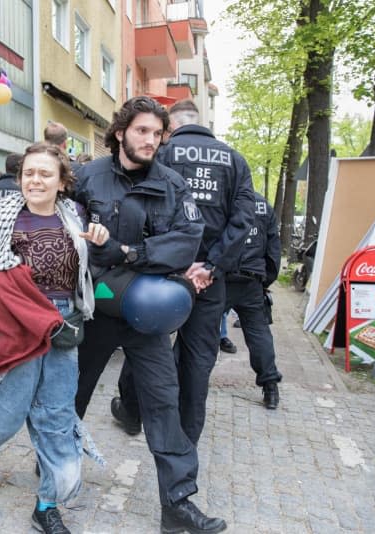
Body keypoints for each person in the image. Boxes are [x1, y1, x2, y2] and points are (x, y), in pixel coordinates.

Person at [73, 96, 226, 534]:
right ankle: (54, 482)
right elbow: (67, 229)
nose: (151, 140)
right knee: (72, 398)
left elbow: (188, 238)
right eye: (142, 131)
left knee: (164, 403)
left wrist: (132, 252)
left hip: (150, 312)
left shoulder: (174, 184)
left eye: (158, 134)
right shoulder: (89, 177)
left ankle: (177, 505)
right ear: (121, 132)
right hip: (98, 306)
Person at [0, 142, 103, 534]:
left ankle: (47, 504)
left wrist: (100, 243)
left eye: (45, 173)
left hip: (62, 325)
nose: (35, 180)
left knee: (56, 418)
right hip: (13, 324)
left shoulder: (75, 217)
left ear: (62, 181)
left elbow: (85, 275)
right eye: (28, 173)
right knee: (5, 415)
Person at [112, 98, 254, 447]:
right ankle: (187, 437)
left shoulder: (160, 153)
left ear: (170, 128)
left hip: (160, 272)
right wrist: (211, 266)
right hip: (209, 278)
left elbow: (138, 209)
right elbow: (243, 221)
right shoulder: (235, 160)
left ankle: (132, 413)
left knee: (144, 340)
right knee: (198, 357)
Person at [224, 192, 283, 409]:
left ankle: (184, 380)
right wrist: (266, 279)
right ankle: (270, 387)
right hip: (252, 280)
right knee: (259, 335)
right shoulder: (263, 206)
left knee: (200, 333)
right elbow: (273, 247)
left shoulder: (225, 198)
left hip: (223, 277)